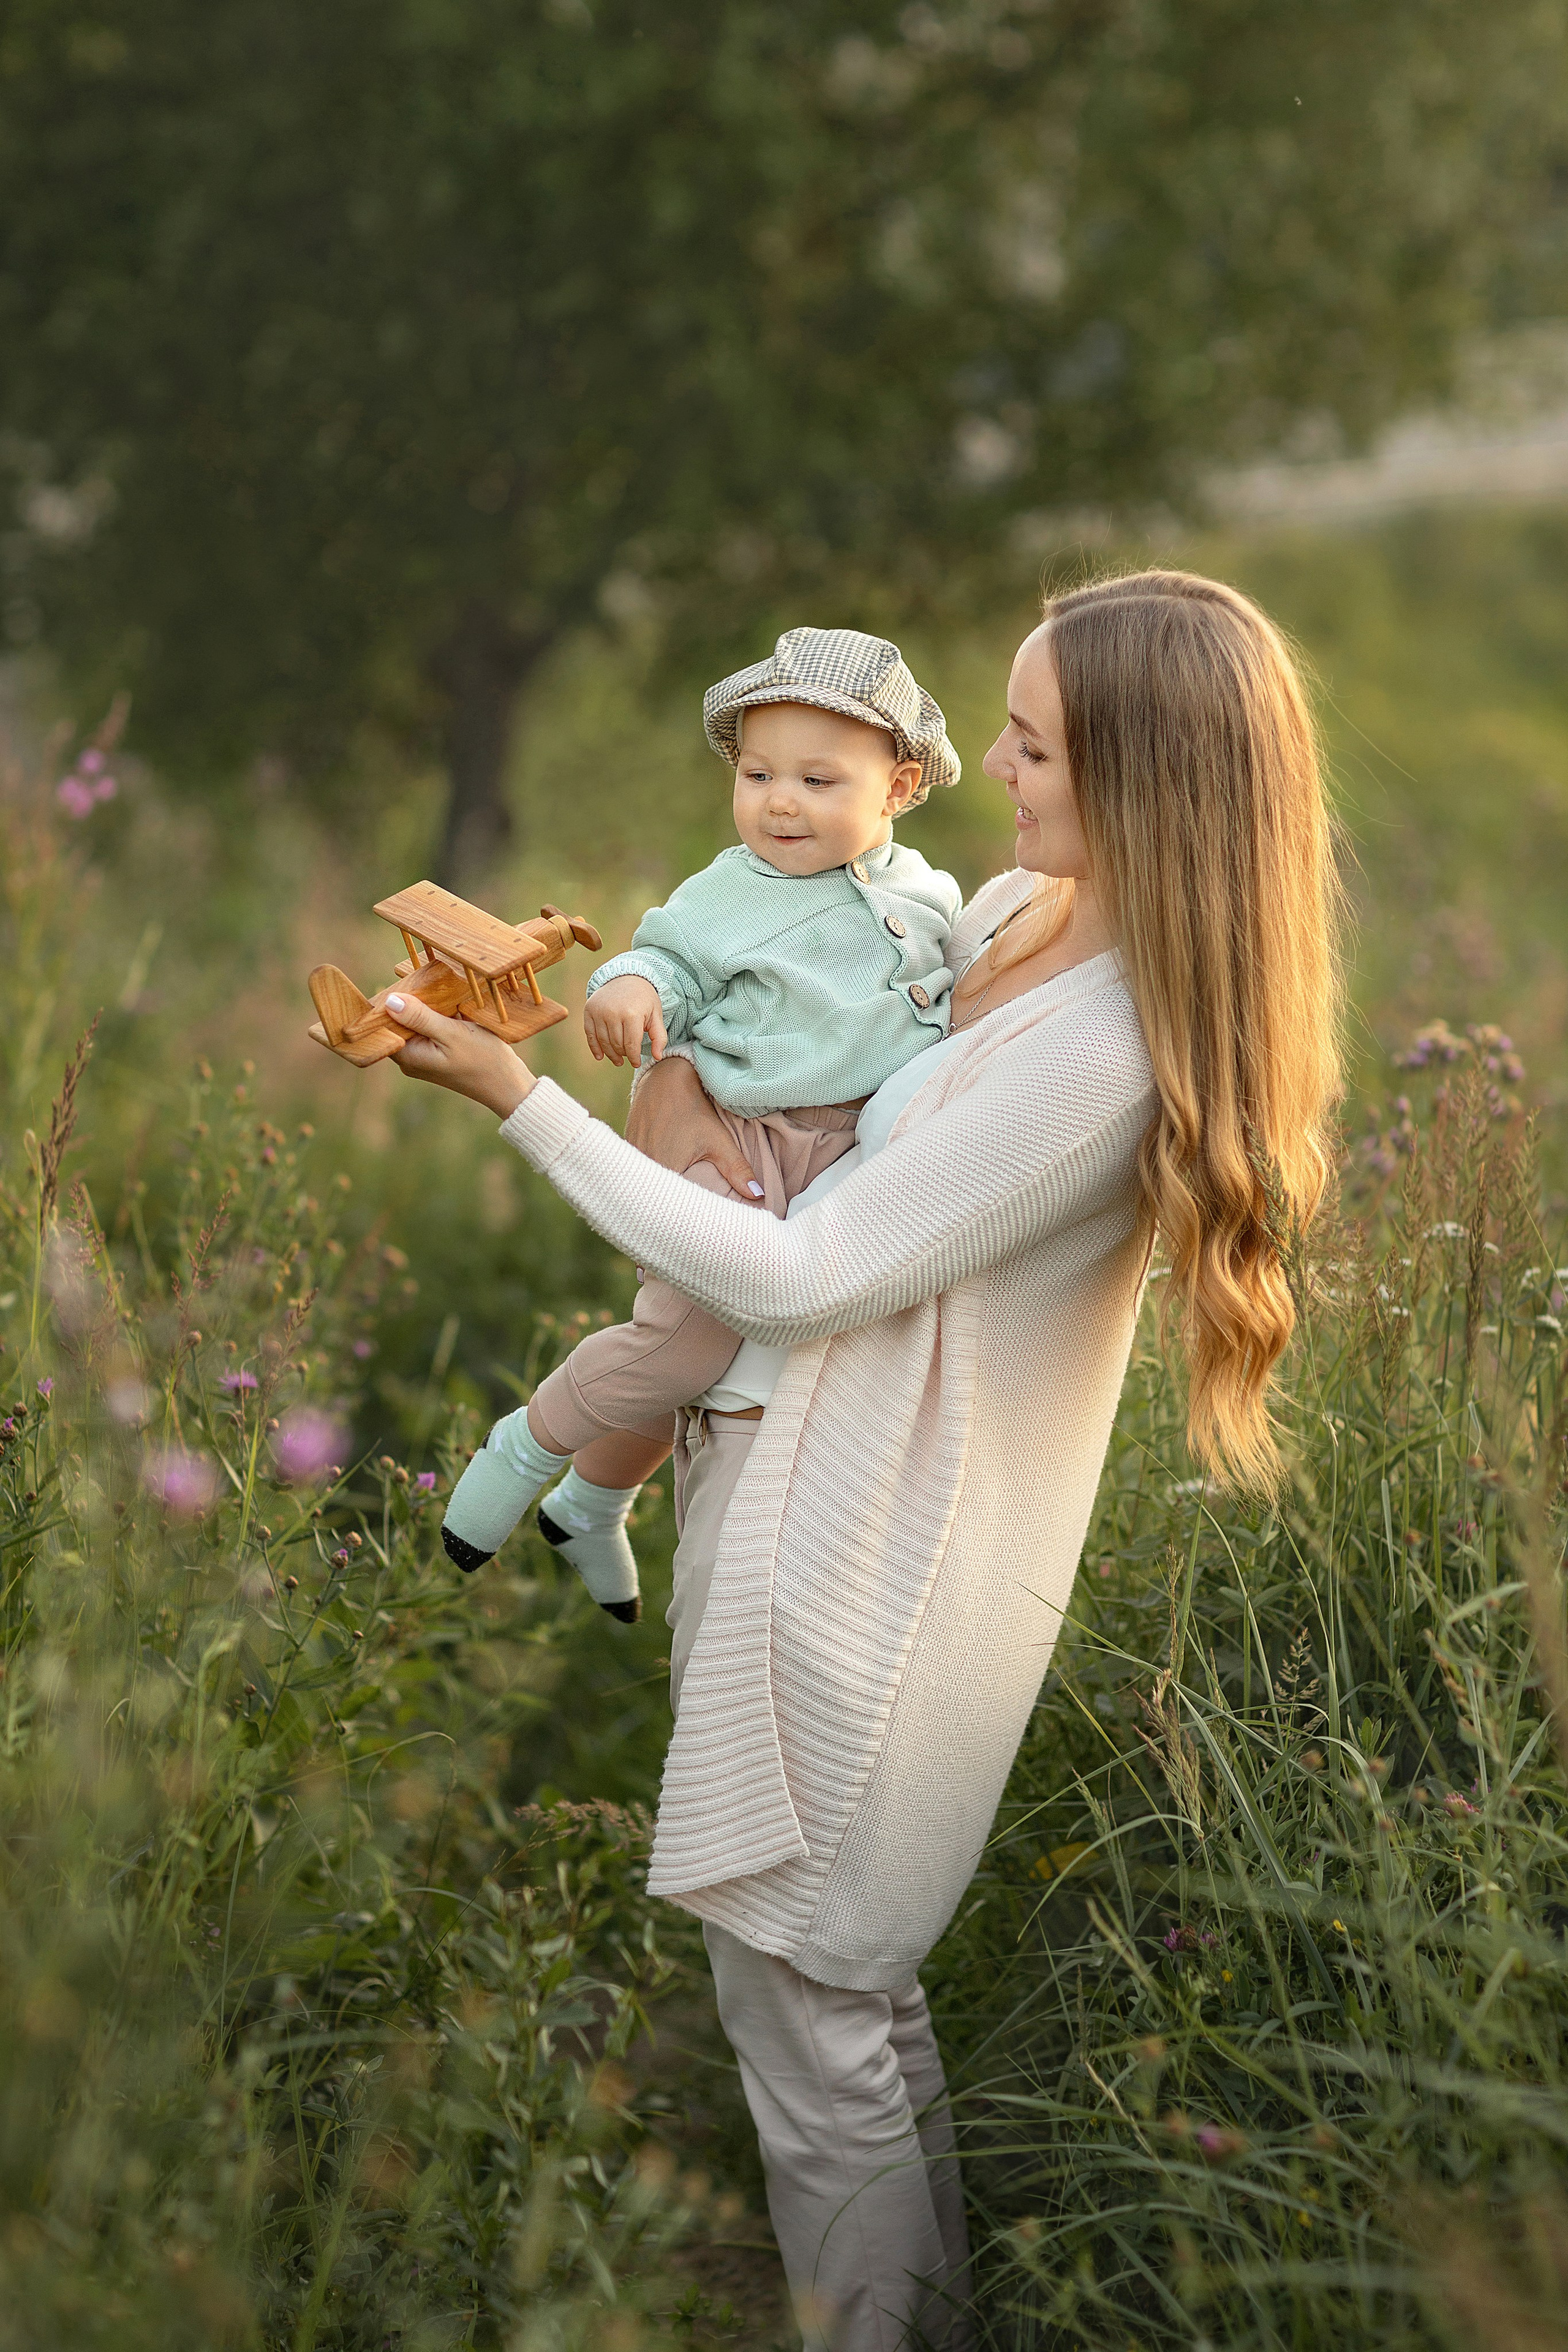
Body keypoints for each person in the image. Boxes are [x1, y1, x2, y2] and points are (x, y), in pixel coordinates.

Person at [385, 570, 1343, 2352]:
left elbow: (819, 1275)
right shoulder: (998, 921)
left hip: (875, 1572)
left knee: (812, 2019)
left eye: (1036, 741)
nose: (988, 763)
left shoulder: (1107, 1051)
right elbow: (790, 1045)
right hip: (791, 1493)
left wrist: (524, 1109)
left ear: (1145, 777)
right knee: (842, 2005)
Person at [439, 625, 963, 1623]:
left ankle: (595, 1501)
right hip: (742, 1139)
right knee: (685, 1343)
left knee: (705, 1352)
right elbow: (665, 959)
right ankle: (527, 1446)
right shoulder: (737, 889)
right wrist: (630, 985)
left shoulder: (925, 893)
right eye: (759, 772)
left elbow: (954, 983)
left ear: (896, 789)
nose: (779, 802)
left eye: (819, 781)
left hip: (837, 1156)